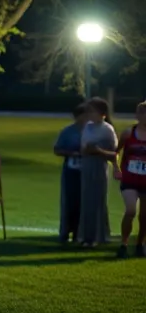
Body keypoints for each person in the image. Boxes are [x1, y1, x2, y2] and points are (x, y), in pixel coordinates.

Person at [78, 98, 117, 247]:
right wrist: (86, 150)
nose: (89, 115)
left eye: (92, 111)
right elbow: (83, 147)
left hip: (99, 167)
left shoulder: (107, 129)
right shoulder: (87, 127)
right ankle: (86, 236)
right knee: (86, 201)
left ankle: (99, 235)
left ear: (102, 114)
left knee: (98, 201)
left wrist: (98, 151)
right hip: (86, 166)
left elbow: (113, 153)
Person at [113, 101, 146, 258]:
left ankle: (140, 244)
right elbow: (115, 152)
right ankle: (123, 244)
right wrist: (116, 167)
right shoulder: (128, 133)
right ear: (137, 115)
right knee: (131, 210)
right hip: (129, 178)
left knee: (145, 215)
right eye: (142, 113)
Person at [54, 104, 87, 243]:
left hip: (88, 172)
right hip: (71, 170)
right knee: (70, 201)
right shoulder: (68, 131)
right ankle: (66, 231)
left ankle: (80, 232)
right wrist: (72, 153)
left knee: (84, 201)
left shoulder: (92, 130)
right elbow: (57, 149)